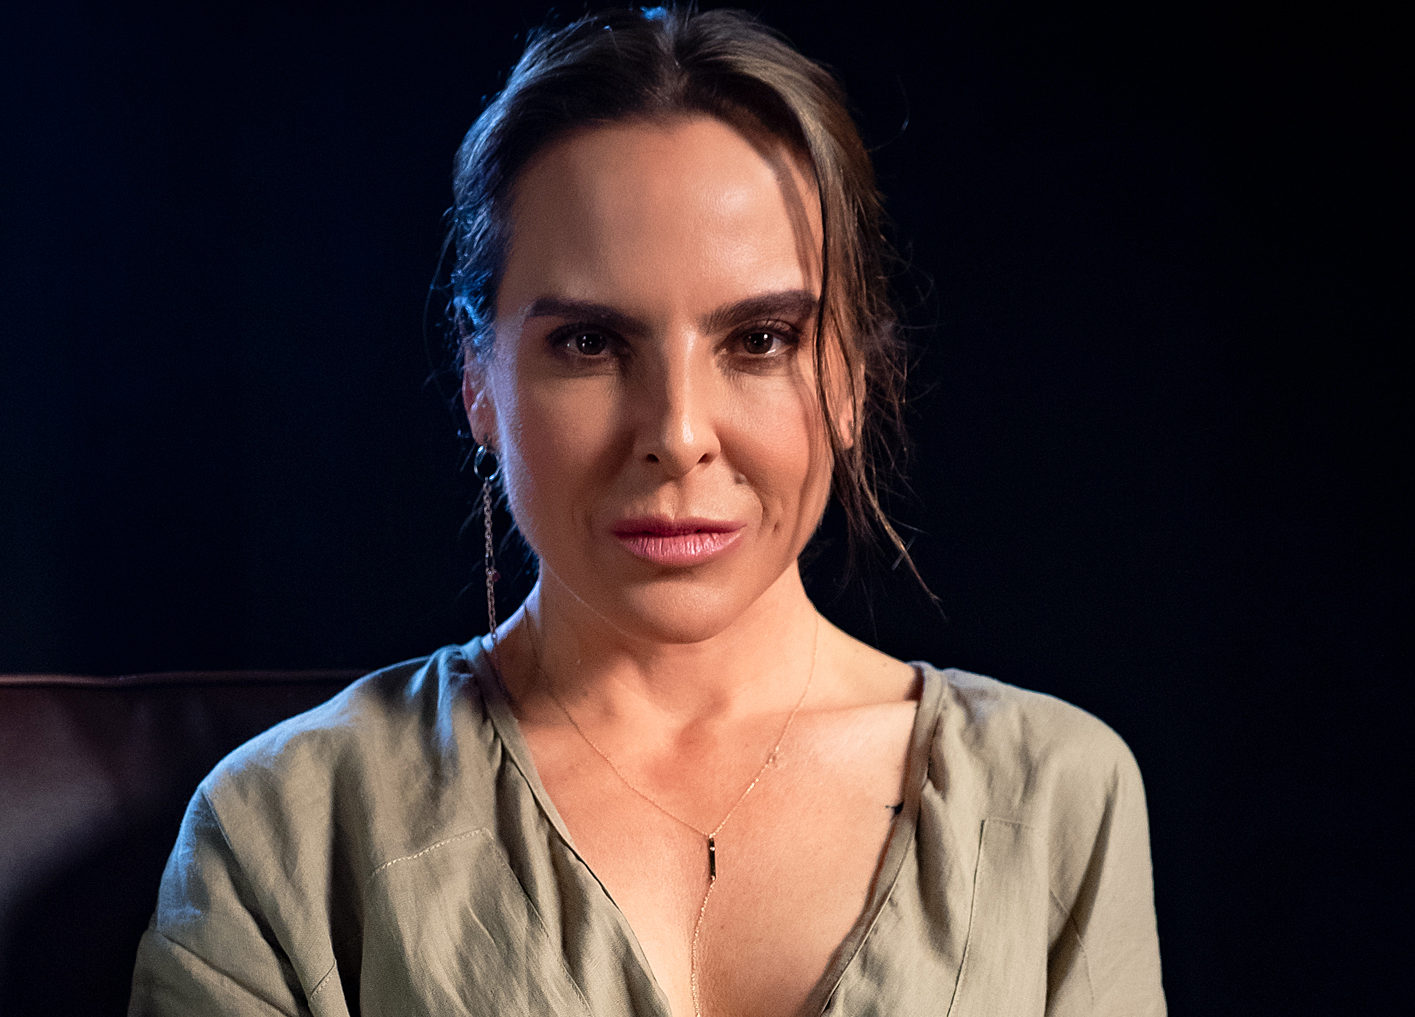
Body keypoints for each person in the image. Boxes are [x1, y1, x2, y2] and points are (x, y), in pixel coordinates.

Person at [128, 7, 1165, 1016]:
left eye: (759, 340)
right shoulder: (280, 829)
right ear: (478, 377)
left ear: (852, 373)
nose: (676, 431)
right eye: (589, 343)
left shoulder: (1053, 794)